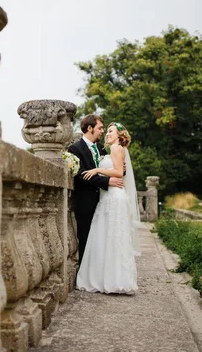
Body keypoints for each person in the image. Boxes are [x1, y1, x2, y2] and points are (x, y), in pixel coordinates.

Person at [76, 122, 141, 294]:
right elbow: (120, 170)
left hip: (114, 197)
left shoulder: (115, 148)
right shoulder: (112, 149)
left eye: (110, 131)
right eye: (106, 131)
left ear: (120, 135)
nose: (107, 134)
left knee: (113, 238)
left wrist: (97, 169)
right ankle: (112, 279)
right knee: (110, 238)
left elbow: (119, 173)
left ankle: (114, 280)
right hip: (108, 197)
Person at [68, 115, 123, 264]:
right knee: (85, 240)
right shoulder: (75, 149)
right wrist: (107, 181)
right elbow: (81, 175)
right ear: (90, 128)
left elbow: (112, 168)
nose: (102, 131)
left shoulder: (100, 148)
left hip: (104, 201)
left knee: (102, 241)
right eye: (100, 128)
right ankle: (84, 276)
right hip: (85, 202)